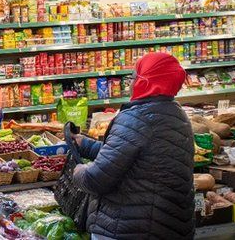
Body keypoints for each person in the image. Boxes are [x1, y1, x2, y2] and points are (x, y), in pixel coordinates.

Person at [71, 51, 195, 240]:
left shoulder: (135, 118)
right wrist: (85, 144)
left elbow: (96, 179)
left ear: (145, 81)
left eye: (134, 77)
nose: (130, 83)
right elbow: (131, 154)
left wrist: (78, 170)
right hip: (169, 226)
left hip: (128, 229)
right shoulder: (178, 115)